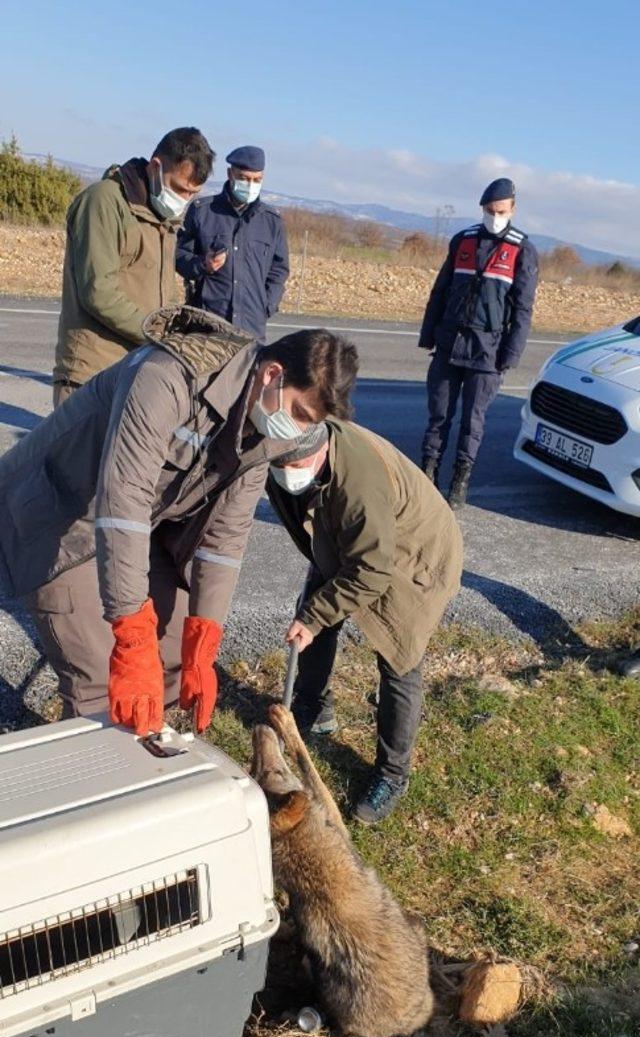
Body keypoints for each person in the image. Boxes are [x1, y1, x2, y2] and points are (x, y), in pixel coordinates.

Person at [0, 311, 357, 734]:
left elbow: (225, 538)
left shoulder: (271, 432)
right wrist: (130, 633)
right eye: (298, 411)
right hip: (59, 517)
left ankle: (150, 762)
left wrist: (203, 639)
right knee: (103, 677)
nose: (296, 430)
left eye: (308, 423)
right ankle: (98, 776)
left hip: (137, 525)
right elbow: (123, 500)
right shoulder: (166, 376)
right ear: (272, 374)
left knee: (172, 657)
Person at [267, 425, 463, 825]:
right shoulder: (288, 464)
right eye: (280, 463)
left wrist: (316, 613)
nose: (287, 470)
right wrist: (317, 606)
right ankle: (315, 708)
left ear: (322, 450)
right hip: (352, 540)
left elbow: (373, 570)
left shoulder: (359, 484)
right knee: (312, 616)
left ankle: (393, 774)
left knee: (399, 658)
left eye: (296, 463)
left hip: (413, 555)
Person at [53, 127, 214, 405]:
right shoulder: (103, 201)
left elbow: (163, 295)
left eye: (192, 194)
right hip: (92, 374)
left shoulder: (162, 218)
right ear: (155, 167)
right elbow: (99, 293)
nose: (183, 200)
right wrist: (161, 335)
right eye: (178, 188)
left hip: (136, 370)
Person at [419, 177, 539, 507]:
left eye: (500, 210)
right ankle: (427, 473)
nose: (494, 216)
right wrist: (428, 334)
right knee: (438, 416)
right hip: (449, 343)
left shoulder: (522, 250)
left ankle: (460, 480)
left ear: (512, 208)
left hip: (488, 353)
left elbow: (524, 308)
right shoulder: (463, 240)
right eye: (489, 210)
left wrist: (509, 356)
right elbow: (440, 291)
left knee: (473, 421)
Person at [176, 146, 289, 341]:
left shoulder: (272, 222)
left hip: (251, 328)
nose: (250, 184)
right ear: (230, 174)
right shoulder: (203, 212)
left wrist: (267, 305)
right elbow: (178, 255)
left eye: (256, 180)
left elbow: (279, 270)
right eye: (244, 178)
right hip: (207, 325)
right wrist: (203, 265)